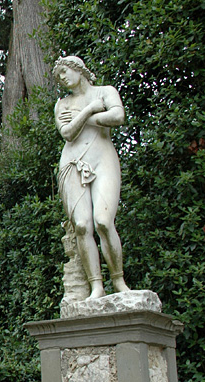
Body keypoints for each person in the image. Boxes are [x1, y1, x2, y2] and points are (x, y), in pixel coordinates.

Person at [54, 55, 131, 300]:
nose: (62, 78)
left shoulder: (106, 91)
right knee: (82, 225)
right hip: (71, 163)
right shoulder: (62, 104)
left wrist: (83, 119)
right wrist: (89, 111)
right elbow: (67, 133)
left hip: (102, 159)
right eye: (59, 76)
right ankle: (96, 285)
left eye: (65, 71)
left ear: (79, 69)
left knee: (104, 222)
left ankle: (118, 281)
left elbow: (118, 116)